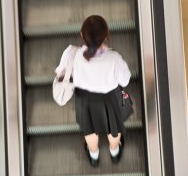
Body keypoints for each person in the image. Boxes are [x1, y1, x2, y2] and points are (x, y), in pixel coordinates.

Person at [55, 15, 131, 167]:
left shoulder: (71, 54)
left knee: (89, 129)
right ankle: (114, 152)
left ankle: (94, 154)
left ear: (82, 35)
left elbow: (60, 73)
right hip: (110, 99)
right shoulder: (114, 58)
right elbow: (125, 80)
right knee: (114, 129)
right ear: (106, 36)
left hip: (85, 100)